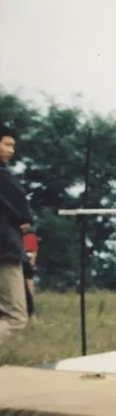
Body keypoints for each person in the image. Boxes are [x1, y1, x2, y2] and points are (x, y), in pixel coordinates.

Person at [0, 126, 32, 343]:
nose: (12, 150)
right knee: (17, 318)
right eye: (7, 144)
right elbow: (21, 205)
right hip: (5, 251)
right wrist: (25, 219)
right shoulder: (3, 176)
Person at [22, 230, 38, 317]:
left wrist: (31, 263)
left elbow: (33, 251)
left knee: (28, 285)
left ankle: (30, 310)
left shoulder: (30, 236)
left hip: (26, 263)